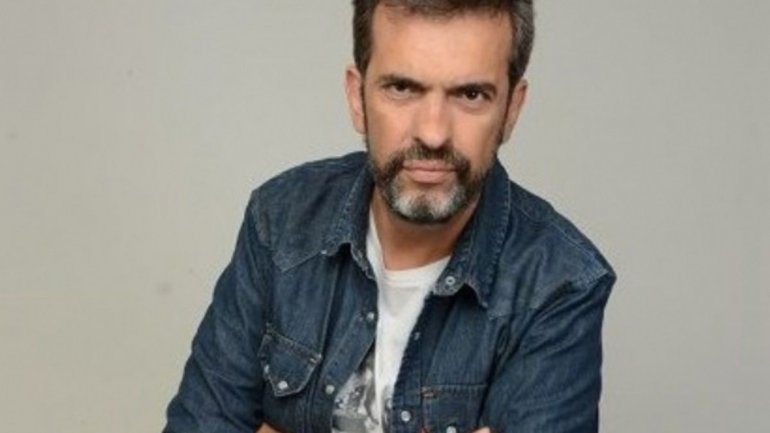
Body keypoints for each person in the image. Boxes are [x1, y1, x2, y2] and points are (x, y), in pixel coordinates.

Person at [163, 1, 615, 432]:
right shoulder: (281, 220)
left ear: (511, 109)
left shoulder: (561, 283)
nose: (433, 133)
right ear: (357, 97)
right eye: (402, 88)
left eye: (470, 95)